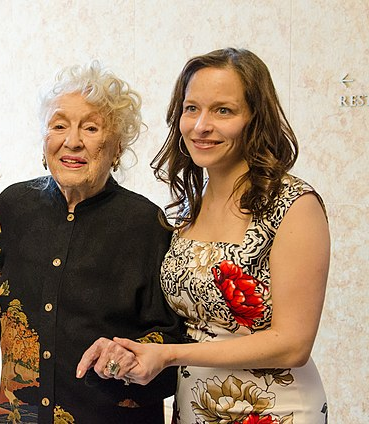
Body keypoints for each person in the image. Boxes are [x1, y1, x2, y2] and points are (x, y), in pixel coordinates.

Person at [77, 48, 330, 423]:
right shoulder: (183, 213)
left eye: (223, 110)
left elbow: (293, 345)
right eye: (192, 108)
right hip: (194, 407)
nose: (200, 126)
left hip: (275, 410)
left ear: (254, 119)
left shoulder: (294, 205)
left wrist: (172, 355)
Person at [0, 61, 184, 423]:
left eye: (91, 128)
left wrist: (125, 357)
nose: (72, 140)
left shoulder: (147, 223)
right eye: (59, 125)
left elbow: (171, 336)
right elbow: (3, 304)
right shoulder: (15, 206)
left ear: (118, 146)